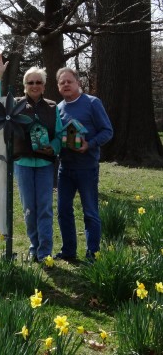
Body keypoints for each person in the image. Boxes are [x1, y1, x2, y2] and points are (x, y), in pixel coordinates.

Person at [0, 53, 62, 262]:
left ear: (44, 85)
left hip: (46, 165)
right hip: (23, 164)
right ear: (24, 85)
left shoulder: (52, 106)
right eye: (31, 82)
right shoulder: (16, 104)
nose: (35, 85)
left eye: (39, 82)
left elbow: (59, 134)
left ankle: (45, 251)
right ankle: (34, 246)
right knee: (29, 208)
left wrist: (54, 147)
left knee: (45, 208)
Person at [55, 67, 113, 262]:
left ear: (78, 83)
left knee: (90, 212)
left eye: (69, 81)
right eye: (62, 82)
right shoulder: (59, 108)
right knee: (63, 211)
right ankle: (69, 251)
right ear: (58, 86)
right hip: (65, 168)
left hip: (87, 168)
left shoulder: (92, 103)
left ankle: (92, 253)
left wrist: (89, 144)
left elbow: (107, 131)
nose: (66, 85)